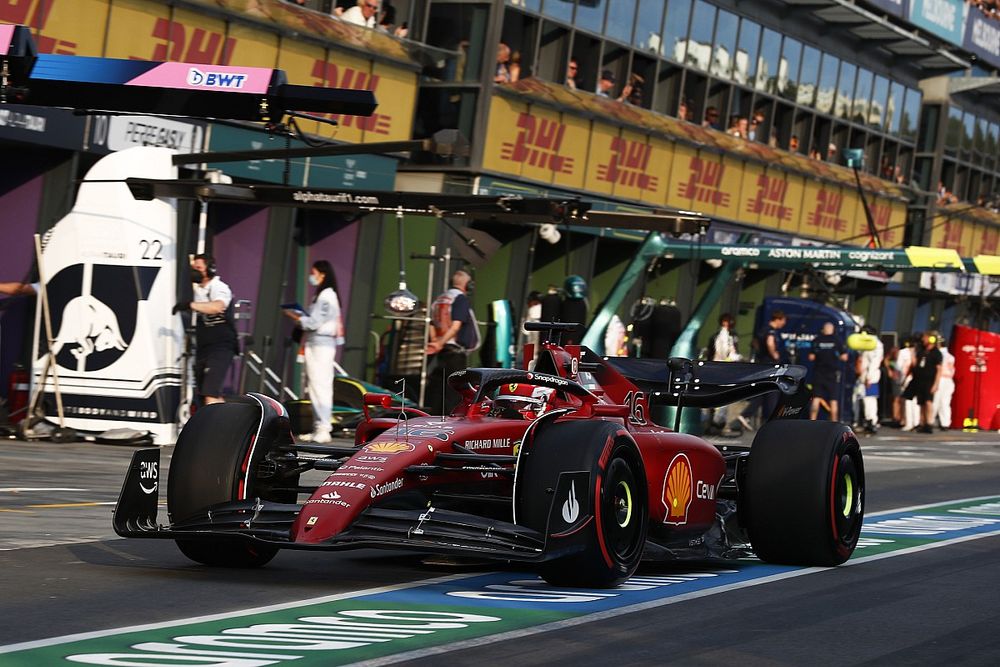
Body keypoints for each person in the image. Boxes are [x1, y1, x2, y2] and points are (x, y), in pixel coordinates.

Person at [283, 260, 344, 444]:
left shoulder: (326, 296)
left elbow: (313, 322)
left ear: (322, 274)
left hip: (320, 344)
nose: (312, 276)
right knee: (316, 386)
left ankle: (324, 428)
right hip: (317, 343)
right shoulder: (324, 295)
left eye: (314, 272)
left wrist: (295, 316)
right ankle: (319, 426)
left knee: (320, 386)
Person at [173, 254, 236, 406]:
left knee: (210, 393)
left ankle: (218, 428)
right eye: (193, 268)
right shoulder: (200, 289)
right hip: (203, 346)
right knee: (203, 395)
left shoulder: (219, 287)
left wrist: (190, 305)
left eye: (199, 268)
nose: (195, 271)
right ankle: (226, 420)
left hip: (221, 346)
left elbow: (217, 307)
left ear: (210, 269)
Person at [427, 269, 480, 414]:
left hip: (441, 351)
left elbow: (432, 323)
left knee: (438, 390)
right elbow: (456, 326)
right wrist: (440, 342)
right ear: (467, 285)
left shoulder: (440, 298)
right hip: (454, 351)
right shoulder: (460, 299)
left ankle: (434, 419)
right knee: (453, 392)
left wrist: (436, 342)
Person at [901, 331, 943, 434]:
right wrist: (912, 353)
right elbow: (915, 364)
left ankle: (929, 422)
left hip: (929, 381)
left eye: (925, 338)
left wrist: (936, 384)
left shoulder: (936, 353)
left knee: (928, 402)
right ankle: (922, 422)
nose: (923, 340)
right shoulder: (921, 351)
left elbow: (939, 369)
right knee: (921, 402)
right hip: (919, 380)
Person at [706, 313, 741, 433]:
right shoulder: (717, 336)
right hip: (717, 368)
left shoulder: (733, 336)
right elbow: (716, 352)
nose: (726, 324)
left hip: (727, 369)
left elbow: (733, 352)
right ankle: (714, 423)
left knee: (725, 398)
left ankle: (720, 423)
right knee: (715, 396)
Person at [808, 322, 848, 421]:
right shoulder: (837, 340)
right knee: (833, 400)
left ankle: (812, 421)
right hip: (832, 373)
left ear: (823, 330)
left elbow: (811, 357)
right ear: (833, 330)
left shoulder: (817, 340)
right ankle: (834, 423)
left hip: (818, 373)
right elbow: (844, 357)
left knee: (816, 399)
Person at [855, 325, 884, 434]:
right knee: (862, 399)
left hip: (870, 377)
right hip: (863, 376)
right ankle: (866, 420)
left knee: (869, 400)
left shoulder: (876, 345)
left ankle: (871, 421)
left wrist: (869, 377)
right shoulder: (866, 344)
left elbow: (874, 362)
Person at [932, 336, 955, 430]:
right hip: (949, 380)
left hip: (939, 379)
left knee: (935, 401)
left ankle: (930, 420)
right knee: (945, 402)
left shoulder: (937, 354)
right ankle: (945, 423)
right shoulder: (950, 356)